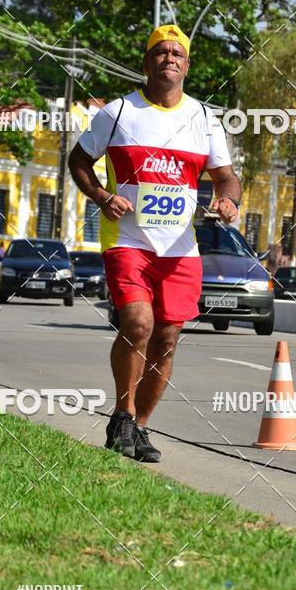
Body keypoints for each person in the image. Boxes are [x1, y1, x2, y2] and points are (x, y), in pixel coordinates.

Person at [68, 24, 240, 463]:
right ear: (147, 63)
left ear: (187, 65)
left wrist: (228, 200)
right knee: (139, 324)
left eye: (177, 53)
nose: (169, 58)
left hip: (180, 248)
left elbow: (225, 175)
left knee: (167, 336)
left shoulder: (203, 118)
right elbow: (79, 160)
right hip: (127, 240)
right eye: (161, 52)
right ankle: (122, 413)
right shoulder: (119, 113)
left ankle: (139, 427)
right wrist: (102, 197)